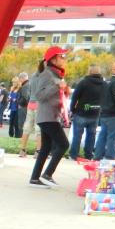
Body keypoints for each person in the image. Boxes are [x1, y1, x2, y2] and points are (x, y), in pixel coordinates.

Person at [28, 46, 71, 188]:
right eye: (62, 57)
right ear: (53, 59)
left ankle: (35, 179)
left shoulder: (56, 74)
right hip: (48, 117)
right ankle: (47, 174)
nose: (64, 59)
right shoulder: (47, 74)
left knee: (46, 148)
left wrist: (65, 92)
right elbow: (39, 96)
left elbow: (55, 96)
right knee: (63, 144)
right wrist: (58, 87)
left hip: (51, 116)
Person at [68, 64, 104, 160]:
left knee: (77, 135)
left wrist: (72, 109)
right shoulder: (104, 84)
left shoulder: (84, 83)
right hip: (95, 114)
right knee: (91, 136)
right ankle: (88, 154)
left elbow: (75, 97)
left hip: (81, 113)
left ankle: (74, 154)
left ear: (89, 72)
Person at [18, 70, 40, 157]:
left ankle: (22, 150)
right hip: (39, 104)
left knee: (26, 128)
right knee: (39, 129)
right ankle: (38, 152)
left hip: (31, 104)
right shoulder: (46, 76)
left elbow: (30, 92)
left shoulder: (33, 76)